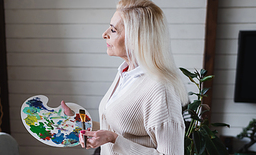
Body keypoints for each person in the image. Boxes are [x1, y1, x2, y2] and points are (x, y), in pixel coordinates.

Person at [61, 0, 189, 154]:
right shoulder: (125, 73)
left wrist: (114, 139)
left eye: (113, 30)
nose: (104, 34)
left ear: (136, 38)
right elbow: (117, 129)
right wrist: (79, 122)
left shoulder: (161, 90)